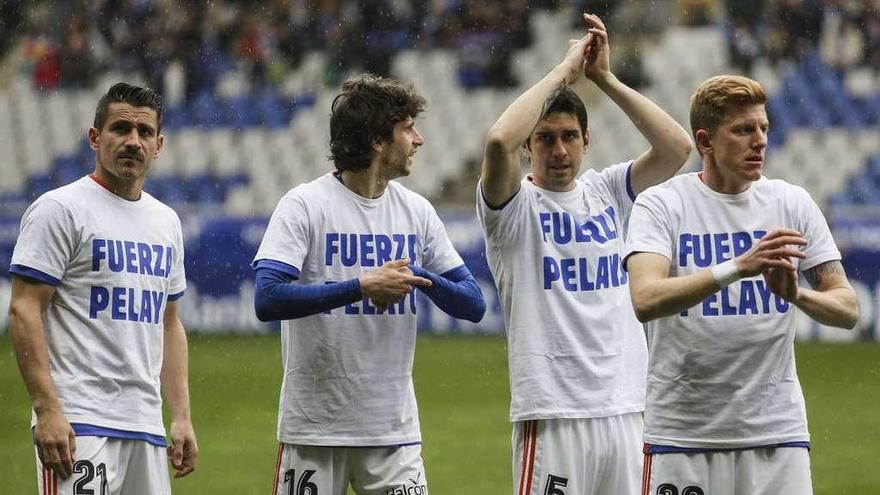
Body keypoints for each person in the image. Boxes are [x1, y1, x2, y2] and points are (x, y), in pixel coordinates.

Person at [477, 13, 693, 495]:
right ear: (529, 148)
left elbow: (677, 147)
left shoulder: (608, 191)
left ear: (587, 140)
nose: (559, 150)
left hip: (626, 405)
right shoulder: (514, 208)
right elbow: (496, 141)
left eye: (569, 136)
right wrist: (563, 71)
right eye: (545, 138)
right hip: (554, 412)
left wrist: (605, 78)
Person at [624, 75, 859, 495]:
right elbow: (645, 298)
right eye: (743, 130)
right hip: (684, 435)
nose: (759, 141)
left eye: (764, 128)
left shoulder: (791, 202)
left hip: (777, 434)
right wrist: (737, 266)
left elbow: (847, 309)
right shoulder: (661, 204)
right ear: (705, 140)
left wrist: (798, 296)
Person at [253, 74, 486, 495]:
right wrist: (362, 286)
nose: (419, 139)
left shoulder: (417, 211)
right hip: (315, 431)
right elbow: (267, 298)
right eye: (408, 128)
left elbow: (474, 303)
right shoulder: (304, 204)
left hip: (393, 434)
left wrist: (419, 277)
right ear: (379, 140)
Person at [8, 82, 198, 494]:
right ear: (95, 137)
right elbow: (24, 309)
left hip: (144, 426)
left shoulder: (166, 222)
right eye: (120, 129)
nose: (133, 141)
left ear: (159, 144)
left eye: (144, 133)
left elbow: (169, 324)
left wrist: (180, 414)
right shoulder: (60, 210)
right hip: (80, 422)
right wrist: (47, 410)